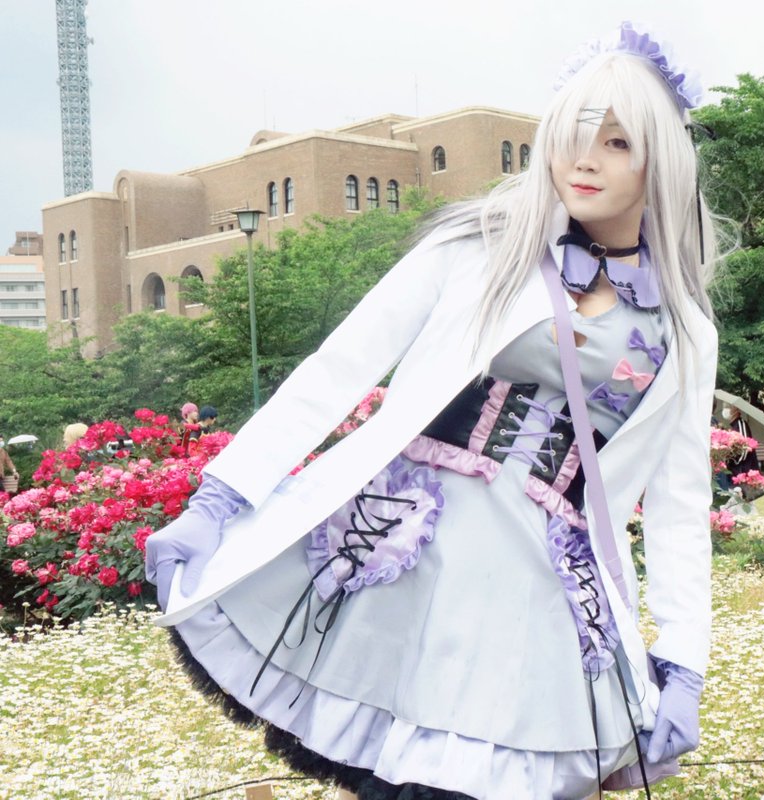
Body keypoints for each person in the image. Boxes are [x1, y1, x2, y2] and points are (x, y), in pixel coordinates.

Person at [146, 23, 723, 800]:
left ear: (663, 160)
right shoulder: (480, 246)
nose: (585, 160)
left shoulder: (684, 330)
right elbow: (339, 370)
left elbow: (679, 508)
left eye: (618, 143)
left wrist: (683, 661)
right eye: (573, 136)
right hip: (416, 549)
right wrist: (220, 497)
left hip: (543, 592)